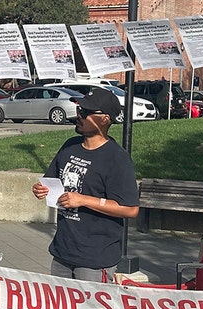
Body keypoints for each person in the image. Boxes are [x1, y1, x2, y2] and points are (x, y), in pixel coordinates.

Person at [31, 88, 139, 282]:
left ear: (104, 119)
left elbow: (130, 209)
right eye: (79, 110)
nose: (78, 115)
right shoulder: (69, 146)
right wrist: (41, 189)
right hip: (63, 251)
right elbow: (52, 181)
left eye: (86, 113)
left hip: (95, 259)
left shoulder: (117, 159)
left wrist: (83, 200)